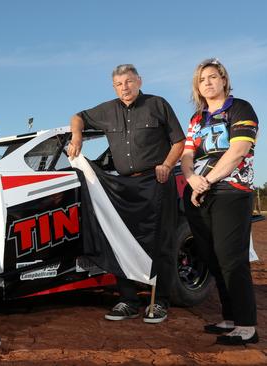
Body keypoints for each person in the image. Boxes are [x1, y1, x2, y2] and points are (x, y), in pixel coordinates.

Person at [67, 64, 185, 324]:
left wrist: (166, 165)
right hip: (124, 186)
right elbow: (78, 116)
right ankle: (128, 300)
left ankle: (160, 302)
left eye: (129, 82)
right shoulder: (107, 110)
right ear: (114, 87)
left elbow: (179, 141)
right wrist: (77, 136)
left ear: (139, 81)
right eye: (119, 84)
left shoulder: (158, 104)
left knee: (161, 243)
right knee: (121, 240)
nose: (125, 88)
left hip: (157, 181)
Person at [181, 58, 259, 345]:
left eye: (213, 77)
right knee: (212, 257)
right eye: (203, 80)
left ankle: (247, 326)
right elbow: (187, 155)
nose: (208, 83)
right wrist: (191, 179)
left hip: (231, 191)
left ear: (224, 80)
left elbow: (238, 150)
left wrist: (208, 180)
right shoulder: (196, 119)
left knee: (232, 258)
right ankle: (230, 318)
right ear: (197, 87)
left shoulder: (240, 108)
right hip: (199, 193)